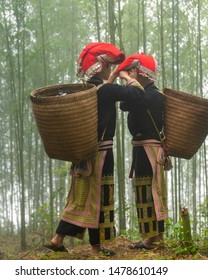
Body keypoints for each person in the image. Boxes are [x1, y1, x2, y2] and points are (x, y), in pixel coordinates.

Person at [46, 43, 143, 256]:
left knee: (82, 196)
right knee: (99, 197)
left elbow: (104, 91)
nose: (111, 70)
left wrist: (112, 79)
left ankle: (59, 238)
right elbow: (137, 94)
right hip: (102, 152)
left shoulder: (86, 90)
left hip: (84, 152)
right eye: (109, 67)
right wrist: (127, 77)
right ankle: (95, 246)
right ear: (102, 68)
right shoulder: (106, 91)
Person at [116, 53, 168, 249]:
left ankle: (152, 238)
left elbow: (128, 102)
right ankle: (155, 236)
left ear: (144, 74)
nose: (131, 75)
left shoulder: (153, 96)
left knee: (150, 192)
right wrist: (131, 82)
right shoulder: (145, 94)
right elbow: (123, 104)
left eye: (134, 72)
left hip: (149, 149)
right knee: (147, 191)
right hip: (142, 148)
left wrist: (128, 81)